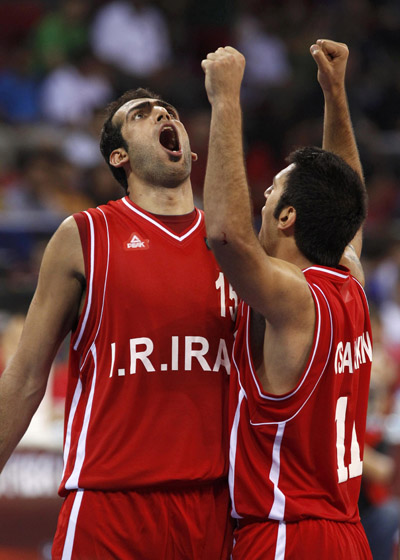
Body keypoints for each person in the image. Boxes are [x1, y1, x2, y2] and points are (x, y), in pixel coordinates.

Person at [0, 87, 236, 559]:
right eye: (141, 115)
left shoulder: (234, 251)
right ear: (119, 155)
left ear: (190, 148)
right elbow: (26, 376)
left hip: (211, 506)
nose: (162, 115)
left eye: (168, 111)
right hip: (110, 503)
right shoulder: (83, 235)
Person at [202, 40, 373, 559]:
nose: (262, 198)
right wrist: (335, 95)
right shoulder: (351, 279)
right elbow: (347, 201)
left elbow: (227, 236)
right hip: (347, 534)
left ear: (288, 218)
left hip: (286, 533)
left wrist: (226, 99)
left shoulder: (294, 300)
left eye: (272, 193)